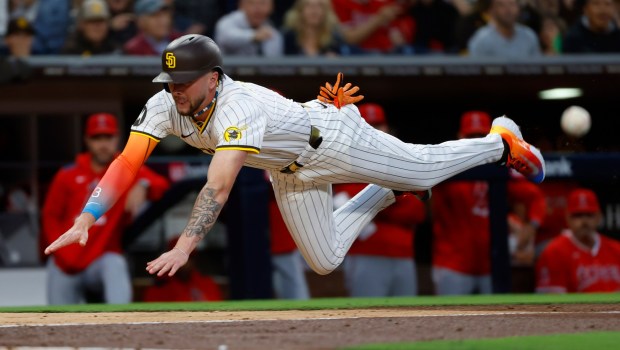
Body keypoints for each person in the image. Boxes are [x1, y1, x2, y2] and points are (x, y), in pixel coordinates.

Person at [44, 34, 546, 282]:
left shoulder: (236, 105)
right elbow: (127, 164)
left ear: (213, 78)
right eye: (168, 82)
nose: (173, 90)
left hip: (330, 137)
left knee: (425, 166)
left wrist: (185, 246)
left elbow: (218, 185)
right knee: (324, 262)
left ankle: (502, 142)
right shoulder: (164, 104)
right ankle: (386, 191)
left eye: (183, 82)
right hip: (287, 171)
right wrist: (89, 215)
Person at [41, 113, 170, 305]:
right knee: (56, 320)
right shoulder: (68, 174)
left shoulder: (126, 168)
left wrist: (143, 184)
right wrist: (63, 256)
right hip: (65, 260)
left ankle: (121, 325)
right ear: (87, 140)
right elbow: (50, 217)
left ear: (117, 138)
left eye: (108, 137)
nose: (103, 144)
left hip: (100, 259)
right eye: (97, 138)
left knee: (115, 264)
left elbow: (162, 185)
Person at [431, 111, 546, 295]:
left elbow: (534, 197)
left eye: (480, 136)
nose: (476, 142)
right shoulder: (445, 165)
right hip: (452, 264)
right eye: (470, 136)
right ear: (460, 137)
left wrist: (531, 226)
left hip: (490, 265)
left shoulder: (501, 169)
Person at [334, 103, 427, 297]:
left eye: (378, 125)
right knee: (366, 318)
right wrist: (395, 196)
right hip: (365, 253)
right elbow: (345, 203)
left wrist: (376, 204)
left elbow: (417, 211)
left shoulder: (403, 158)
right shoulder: (345, 162)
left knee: (409, 318)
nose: (375, 131)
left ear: (387, 128)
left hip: (403, 253)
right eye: (369, 125)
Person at [536, 188, 620, 293]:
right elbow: (552, 303)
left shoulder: (616, 249)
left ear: (599, 217)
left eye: (589, 215)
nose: (584, 221)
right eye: (578, 215)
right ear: (567, 218)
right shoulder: (554, 252)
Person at [142, 235, 224, 301]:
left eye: (190, 258)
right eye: (176, 257)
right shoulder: (160, 287)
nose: (185, 263)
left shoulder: (206, 283)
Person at [331, 0, 415, 54]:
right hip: (358, 54)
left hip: (387, 53)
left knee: (408, 51)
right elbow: (349, 39)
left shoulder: (382, 4)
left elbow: (397, 39)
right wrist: (378, 19)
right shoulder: (340, 3)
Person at [468, 0, 542, 57]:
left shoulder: (529, 36)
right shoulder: (481, 40)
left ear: (518, 8)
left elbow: (537, 70)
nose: (508, 10)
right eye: (501, 5)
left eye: (512, 4)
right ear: (492, 10)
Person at [214, 0, 284, 56]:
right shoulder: (228, 22)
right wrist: (254, 36)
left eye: (263, 3)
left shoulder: (273, 33)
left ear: (271, 7)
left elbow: (273, 66)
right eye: (251, 3)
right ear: (241, 5)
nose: (257, 9)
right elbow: (225, 37)